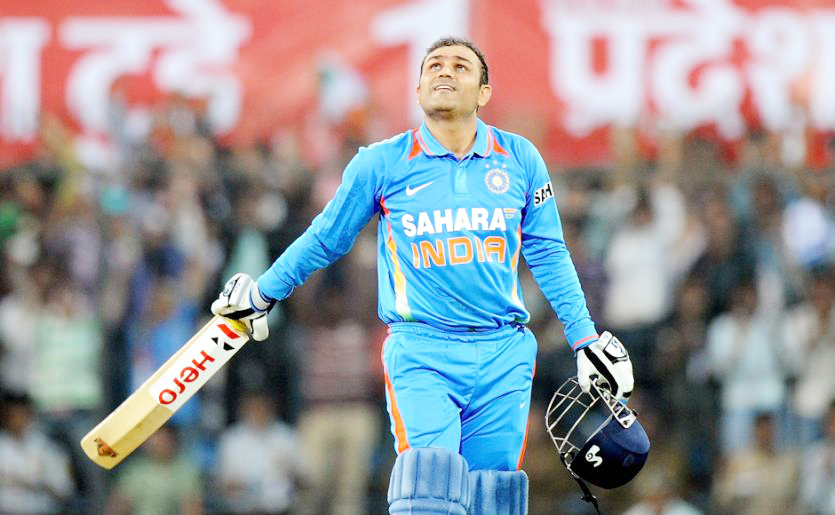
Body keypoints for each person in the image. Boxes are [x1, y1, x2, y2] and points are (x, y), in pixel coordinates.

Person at [211, 36, 634, 514]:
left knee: (495, 499)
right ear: (417, 90)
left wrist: (585, 339)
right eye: (434, 65)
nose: (444, 71)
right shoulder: (382, 162)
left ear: (484, 93)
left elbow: (548, 252)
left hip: (504, 352)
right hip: (422, 351)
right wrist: (264, 293)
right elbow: (326, 237)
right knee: (429, 487)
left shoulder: (520, 158)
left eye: (460, 66)